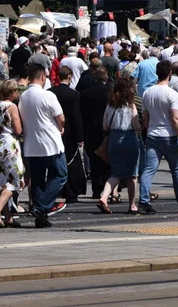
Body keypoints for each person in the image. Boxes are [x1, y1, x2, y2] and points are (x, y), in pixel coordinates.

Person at [138, 60, 178, 214]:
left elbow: (145, 117)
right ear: (170, 74)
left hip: (153, 135)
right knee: (177, 171)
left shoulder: (147, 92)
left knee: (149, 170)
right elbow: (175, 118)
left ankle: (144, 201)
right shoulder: (171, 93)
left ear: (157, 73)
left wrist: (148, 130)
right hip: (169, 136)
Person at [18, 64, 68, 228]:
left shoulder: (23, 97)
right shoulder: (48, 95)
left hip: (32, 144)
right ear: (42, 77)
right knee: (60, 174)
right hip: (50, 143)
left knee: (38, 179)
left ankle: (41, 215)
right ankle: (42, 207)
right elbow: (61, 118)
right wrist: (61, 128)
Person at [97, 76, 142, 214]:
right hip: (128, 139)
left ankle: (104, 197)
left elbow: (105, 126)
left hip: (113, 140)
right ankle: (132, 205)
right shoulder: (131, 106)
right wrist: (140, 125)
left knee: (115, 173)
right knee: (132, 175)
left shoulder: (109, 106)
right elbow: (135, 127)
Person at [0, 79, 24, 228]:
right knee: (15, 180)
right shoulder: (12, 106)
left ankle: (7, 216)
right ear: (13, 92)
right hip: (9, 145)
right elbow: (18, 129)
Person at [52, 66, 87, 203]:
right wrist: (80, 136)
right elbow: (76, 116)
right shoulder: (73, 94)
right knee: (71, 162)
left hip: (55, 130)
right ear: (70, 77)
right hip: (70, 131)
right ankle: (72, 191)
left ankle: (59, 189)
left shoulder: (51, 92)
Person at [80, 67, 113, 198]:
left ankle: (96, 189)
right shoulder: (110, 92)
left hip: (91, 130)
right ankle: (108, 189)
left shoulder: (86, 93)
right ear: (106, 77)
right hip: (106, 130)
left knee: (94, 160)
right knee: (107, 160)